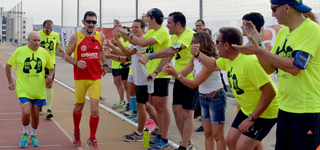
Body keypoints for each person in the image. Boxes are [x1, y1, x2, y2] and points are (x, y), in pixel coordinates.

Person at [234, 0, 320, 149]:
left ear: (286, 8)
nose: (272, 14)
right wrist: (258, 45)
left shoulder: (311, 29)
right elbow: (269, 68)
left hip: (306, 111)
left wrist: (259, 51)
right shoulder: (283, 32)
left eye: (274, 9)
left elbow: (295, 67)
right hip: (285, 107)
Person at [191, 27, 279, 150]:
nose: (215, 46)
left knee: (241, 146)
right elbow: (213, 65)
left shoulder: (248, 62)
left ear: (226, 45)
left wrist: (251, 118)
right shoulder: (228, 60)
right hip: (247, 109)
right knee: (231, 141)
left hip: (265, 112)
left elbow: (270, 93)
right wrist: (198, 54)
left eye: (217, 42)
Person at [137, 12, 197, 150]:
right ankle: (186, 143)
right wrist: (156, 72)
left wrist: (150, 56)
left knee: (187, 113)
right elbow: (169, 55)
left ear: (177, 24)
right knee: (176, 110)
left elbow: (171, 50)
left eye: (169, 22)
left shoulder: (189, 34)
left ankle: (184, 145)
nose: (166, 24)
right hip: (179, 77)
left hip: (191, 78)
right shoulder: (175, 35)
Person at [114, 8, 172, 150]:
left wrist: (123, 31)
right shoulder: (152, 32)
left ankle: (163, 137)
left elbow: (142, 44)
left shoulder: (162, 32)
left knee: (159, 107)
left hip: (160, 73)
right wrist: (122, 33)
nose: (146, 21)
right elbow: (138, 43)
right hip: (152, 74)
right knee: (155, 106)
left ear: (152, 19)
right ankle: (160, 134)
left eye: (147, 18)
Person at [163, 32, 227, 150]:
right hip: (204, 97)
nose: (190, 45)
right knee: (208, 134)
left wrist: (175, 74)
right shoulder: (194, 59)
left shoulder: (211, 61)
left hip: (216, 98)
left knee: (218, 136)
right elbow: (183, 73)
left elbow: (193, 84)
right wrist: (170, 70)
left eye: (193, 42)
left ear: (200, 44)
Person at [107, 19, 159, 142]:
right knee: (145, 105)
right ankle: (159, 127)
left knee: (142, 106)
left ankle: (140, 133)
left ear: (143, 28)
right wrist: (112, 47)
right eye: (132, 27)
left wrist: (119, 38)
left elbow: (126, 53)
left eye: (137, 27)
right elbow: (126, 55)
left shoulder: (142, 42)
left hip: (143, 79)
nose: (134, 29)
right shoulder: (136, 41)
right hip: (139, 79)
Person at [64, 11, 108, 150]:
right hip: (80, 78)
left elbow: (101, 51)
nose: (91, 24)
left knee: (95, 109)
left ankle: (92, 138)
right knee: (79, 106)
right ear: (83, 22)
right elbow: (66, 56)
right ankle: (76, 132)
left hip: (95, 78)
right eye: (89, 21)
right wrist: (76, 63)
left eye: (94, 22)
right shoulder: (76, 37)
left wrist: (105, 64)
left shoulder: (100, 36)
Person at [6, 31, 54, 147]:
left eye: (38, 41)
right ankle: (24, 134)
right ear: (28, 40)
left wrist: (50, 77)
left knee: (35, 114)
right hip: (24, 89)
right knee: (26, 112)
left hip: (38, 89)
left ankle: (33, 135)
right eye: (34, 40)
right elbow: (8, 66)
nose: (37, 43)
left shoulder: (44, 52)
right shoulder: (20, 51)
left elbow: (51, 67)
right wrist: (10, 82)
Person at [38, 19, 62, 119]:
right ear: (42, 27)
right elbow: (31, 46)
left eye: (50, 30)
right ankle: (39, 105)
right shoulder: (38, 34)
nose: (49, 32)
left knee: (49, 83)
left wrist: (60, 49)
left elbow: (57, 45)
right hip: (39, 63)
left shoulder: (55, 35)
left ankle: (49, 109)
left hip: (51, 63)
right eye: (47, 30)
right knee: (39, 84)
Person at [111, 26, 131, 110]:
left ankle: (125, 102)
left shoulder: (125, 41)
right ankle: (123, 101)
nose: (117, 31)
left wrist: (115, 46)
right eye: (115, 30)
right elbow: (114, 52)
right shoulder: (114, 40)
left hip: (123, 64)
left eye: (118, 30)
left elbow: (123, 53)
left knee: (126, 85)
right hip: (115, 63)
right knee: (117, 83)